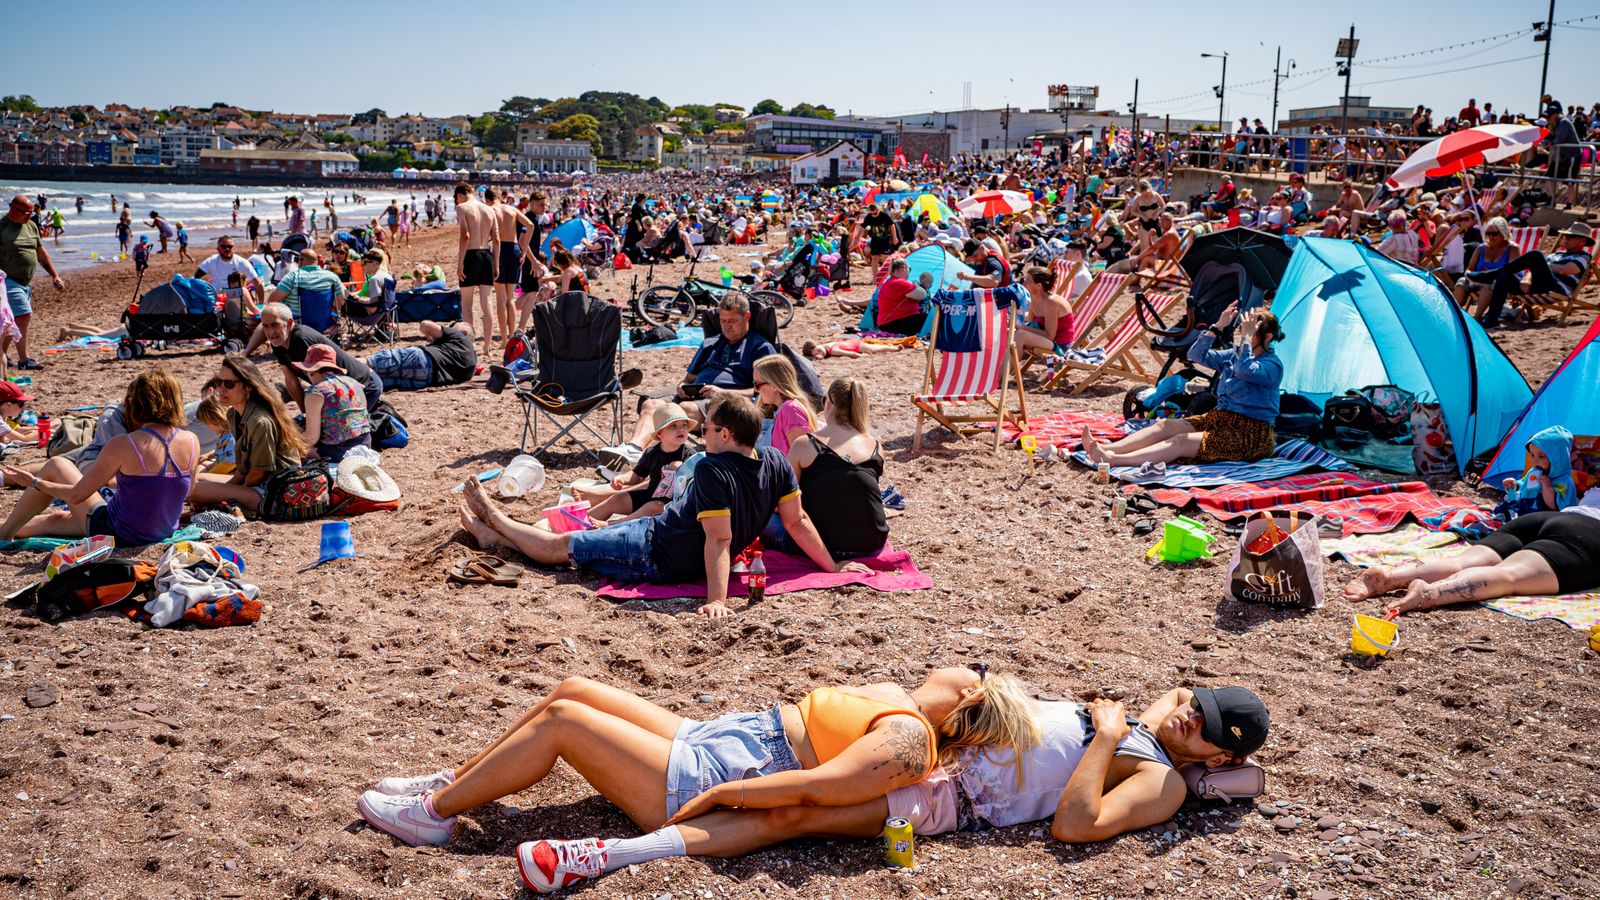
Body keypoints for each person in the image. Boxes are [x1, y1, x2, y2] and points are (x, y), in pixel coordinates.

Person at [517, 684, 1267, 893]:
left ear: (1209, 754)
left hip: (947, 799)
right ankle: (676, 799)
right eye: (1194, 707)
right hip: (943, 751)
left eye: (1202, 729)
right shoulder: (1153, 722)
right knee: (794, 795)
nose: (1186, 721)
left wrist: (1106, 737)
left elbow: (1075, 825)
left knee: (793, 812)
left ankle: (611, 856)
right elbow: (1173, 697)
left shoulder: (1161, 781)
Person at [356, 667, 1038, 886]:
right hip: (723, 737)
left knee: (565, 723)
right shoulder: (898, 699)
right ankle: (459, 779)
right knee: (574, 689)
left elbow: (817, 787)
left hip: (722, 769)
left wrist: (723, 796)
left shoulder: (910, 741)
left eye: (972, 673)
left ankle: (437, 814)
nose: (960, 665)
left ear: (968, 702)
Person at [460, 395, 871, 618]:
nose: (702, 434)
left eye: (707, 428)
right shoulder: (775, 460)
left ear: (725, 433)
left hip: (655, 549)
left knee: (563, 547)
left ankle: (495, 519)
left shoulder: (713, 469)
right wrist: (832, 567)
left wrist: (717, 600)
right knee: (572, 540)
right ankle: (492, 534)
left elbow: (720, 541)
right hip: (662, 538)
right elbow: (797, 523)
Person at [0, 369, 197, 543]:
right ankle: (5, 527)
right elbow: (186, 493)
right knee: (57, 519)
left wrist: (34, 482)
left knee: (57, 464)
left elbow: (77, 495)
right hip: (161, 530)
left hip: (118, 532)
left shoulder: (125, 444)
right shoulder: (192, 440)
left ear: (136, 403)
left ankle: (5, 534)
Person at [1344, 482, 1600, 615]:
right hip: (1587, 537)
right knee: (1507, 575)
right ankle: (1431, 593)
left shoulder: (1593, 488)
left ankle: (1390, 576)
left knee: (1462, 561)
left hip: (1552, 517)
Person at [1085, 304, 1284, 466]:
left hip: (1252, 434)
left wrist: (1246, 341)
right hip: (1222, 419)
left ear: (1267, 337)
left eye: (1249, 331)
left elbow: (1245, 370)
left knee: (1181, 441)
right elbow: (1195, 355)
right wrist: (1216, 327)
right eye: (1243, 329)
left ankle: (1114, 460)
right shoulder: (1236, 354)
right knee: (1166, 424)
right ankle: (1109, 449)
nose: (1243, 334)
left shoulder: (1272, 365)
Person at [602, 293, 777, 469]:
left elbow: (764, 390)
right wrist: (682, 387)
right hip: (696, 393)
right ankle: (634, 450)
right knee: (651, 404)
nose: (727, 326)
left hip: (728, 401)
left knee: (683, 410)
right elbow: (688, 378)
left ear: (747, 317)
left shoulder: (759, 346)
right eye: (723, 321)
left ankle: (642, 463)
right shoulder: (711, 343)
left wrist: (721, 392)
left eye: (732, 321)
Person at [763, 378, 888, 560]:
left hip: (821, 545)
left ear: (828, 402)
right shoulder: (875, 446)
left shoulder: (805, 444)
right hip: (872, 545)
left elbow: (785, 502)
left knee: (764, 519)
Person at [188, 356, 306, 514]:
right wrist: (228, 489)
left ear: (248, 386)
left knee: (194, 491)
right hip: (257, 485)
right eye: (218, 382)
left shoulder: (260, 421)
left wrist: (231, 492)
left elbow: (257, 473)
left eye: (229, 384)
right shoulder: (234, 415)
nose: (221, 389)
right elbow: (244, 472)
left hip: (276, 494)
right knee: (192, 482)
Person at [574, 402, 694, 523]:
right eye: (673, 426)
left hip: (672, 505)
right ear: (660, 434)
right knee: (618, 498)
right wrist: (622, 479)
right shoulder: (652, 452)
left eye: (684, 425)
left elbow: (696, 479)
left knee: (653, 507)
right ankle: (579, 521)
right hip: (650, 495)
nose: (681, 429)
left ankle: (610, 525)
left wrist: (683, 468)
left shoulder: (689, 454)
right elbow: (637, 475)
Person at [258, 302, 384, 413]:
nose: (270, 332)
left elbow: (326, 382)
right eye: (265, 326)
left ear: (289, 323)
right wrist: (304, 412)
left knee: (339, 429)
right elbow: (291, 380)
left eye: (275, 325)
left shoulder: (301, 339)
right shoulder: (278, 342)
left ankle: (381, 412)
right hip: (340, 390)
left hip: (364, 385)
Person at [1481, 223, 1595, 327]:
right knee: (1504, 276)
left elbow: (1565, 270)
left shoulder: (1584, 257)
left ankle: (1494, 272)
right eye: (1566, 236)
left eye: (1571, 236)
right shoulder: (1556, 255)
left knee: (1535, 255)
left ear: (1583, 241)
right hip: (1535, 286)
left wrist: (1542, 265)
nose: (1567, 239)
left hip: (1555, 288)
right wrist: (1527, 278)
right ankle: (1492, 319)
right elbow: (1533, 269)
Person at [2, 194, 65, 371]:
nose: (30, 216)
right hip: (7, 281)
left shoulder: (31, 226)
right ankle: (24, 359)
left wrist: (55, 275)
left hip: (26, 283)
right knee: (23, 316)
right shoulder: (2, 228)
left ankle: (2, 355)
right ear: (13, 208)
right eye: (25, 212)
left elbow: (41, 252)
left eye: (31, 212)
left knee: (11, 320)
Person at [294, 344, 373, 463]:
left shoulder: (316, 391)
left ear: (312, 371)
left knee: (294, 450)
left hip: (338, 451)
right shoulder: (354, 382)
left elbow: (311, 438)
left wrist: (293, 443)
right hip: (365, 444)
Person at [365, 320, 477, 391]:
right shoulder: (471, 366)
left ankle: (347, 364)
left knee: (370, 362)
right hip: (425, 380)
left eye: (453, 326)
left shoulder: (460, 336)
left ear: (464, 332)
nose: (450, 327)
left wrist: (434, 335)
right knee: (375, 381)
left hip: (422, 358)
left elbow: (425, 325)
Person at [1493, 426, 1577, 519]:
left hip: (1544, 518)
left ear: (1558, 458)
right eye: (1532, 455)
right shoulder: (1533, 472)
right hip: (1525, 511)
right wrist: (1514, 486)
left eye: (1541, 456)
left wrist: (1547, 488)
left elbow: (1556, 507)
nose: (1535, 461)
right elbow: (1522, 489)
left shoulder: (1565, 482)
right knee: (1509, 504)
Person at [455, 183, 498, 361]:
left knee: (466, 303)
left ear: (459, 195)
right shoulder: (489, 210)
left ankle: (469, 345)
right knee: (486, 302)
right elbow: (496, 238)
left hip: (471, 255)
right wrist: (496, 263)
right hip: (486, 255)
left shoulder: (462, 207)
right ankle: (487, 347)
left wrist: (460, 263)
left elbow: (465, 235)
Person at [487, 187, 533, 346]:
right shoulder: (511, 210)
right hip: (514, 249)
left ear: (487, 199)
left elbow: (489, 234)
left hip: (500, 250)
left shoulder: (490, 210)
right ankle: (513, 336)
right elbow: (530, 225)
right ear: (501, 197)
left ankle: (504, 340)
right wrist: (524, 249)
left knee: (500, 299)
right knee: (510, 298)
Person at [1013, 260, 1080, 355]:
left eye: (1028, 280)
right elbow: (1030, 322)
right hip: (1046, 341)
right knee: (1009, 332)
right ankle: (1002, 367)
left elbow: (1050, 335)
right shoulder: (1033, 298)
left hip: (1061, 346)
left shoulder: (1051, 302)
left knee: (1020, 335)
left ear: (1038, 286)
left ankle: (1008, 369)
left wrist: (1021, 327)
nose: (1023, 283)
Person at [753, 355, 816, 454]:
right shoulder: (777, 410)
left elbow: (801, 456)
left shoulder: (791, 410)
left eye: (757, 384)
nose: (755, 389)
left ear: (774, 385)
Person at [1454, 217, 1518, 313]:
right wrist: (1470, 275)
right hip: (1478, 280)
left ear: (1503, 233)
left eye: (1495, 234)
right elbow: (1469, 269)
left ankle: (1478, 318)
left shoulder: (1512, 248)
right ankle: (1456, 314)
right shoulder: (1481, 248)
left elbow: (1512, 271)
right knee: (1461, 282)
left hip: (1500, 283)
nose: (1491, 237)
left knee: (1487, 286)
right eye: (1488, 234)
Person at [195, 236, 264, 318]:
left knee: (243, 291)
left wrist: (261, 304)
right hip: (216, 297)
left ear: (233, 248)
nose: (227, 249)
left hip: (236, 296)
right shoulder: (211, 261)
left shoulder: (241, 262)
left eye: (230, 247)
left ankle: (257, 312)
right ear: (218, 249)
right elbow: (196, 278)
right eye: (223, 247)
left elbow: (258, 283)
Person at [875, 260, 934, 336]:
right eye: (910, 269)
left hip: (888, 323)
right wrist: (915, 283)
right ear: (904, 268)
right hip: (895, 323)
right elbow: (922, 295)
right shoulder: (899, 282)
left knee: (928, 318)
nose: (909, 273)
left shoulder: (889, 282)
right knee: (932, 319)